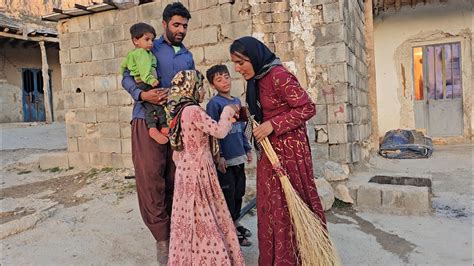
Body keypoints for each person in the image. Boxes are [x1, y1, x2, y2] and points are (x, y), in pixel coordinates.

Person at [230, 36, 327, 265]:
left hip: (290, 154)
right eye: (234, 62)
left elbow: (307, 107)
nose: (237, 68)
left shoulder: (278, 76)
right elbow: (264, 110)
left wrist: (273, 125)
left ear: (254, 57)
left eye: (241, 62)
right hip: (270, 153)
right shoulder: (257, 80)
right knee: (272, 208)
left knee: (288, 207)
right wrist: (242, 114)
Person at [121, 2, 193, 264]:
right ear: (164, 24)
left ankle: (178, 236)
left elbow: (190, 86)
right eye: (176, 24)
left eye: (185, 25)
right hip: (146, 120)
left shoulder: (187, 56)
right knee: (151, 177)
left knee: (175, 178)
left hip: (177, 123)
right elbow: (126, 77)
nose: (181, 30)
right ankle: (162, 241)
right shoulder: (149, 46)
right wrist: (141, 93)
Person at [166, 70, 245, 265]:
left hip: (186, 171)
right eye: (200, 87)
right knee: (205, 216)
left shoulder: (179, 110)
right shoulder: (193, 110)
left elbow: (178, 150)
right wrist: (228, 110)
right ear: (191, 88)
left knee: (190, 217)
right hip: (199, 171)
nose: (202, 92)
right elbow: (219, 131)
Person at [205, 64, 253, 247]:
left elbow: (241, 127)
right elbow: (213, 133)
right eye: (219, 79)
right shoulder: (214, 104)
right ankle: (228, 230)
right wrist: (220, 156)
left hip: (239, 155)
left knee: (239, 192)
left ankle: (235, 222)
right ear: (212, 85)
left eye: (226, 77)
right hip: (226, 160)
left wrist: (247, 148)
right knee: (228, 193)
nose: (224, 81)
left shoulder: (237, 102)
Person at [120, 22, 169, 144]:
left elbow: (124, 66)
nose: (151, 43)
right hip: (146, 83)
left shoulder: (140, 53)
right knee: (157, 104)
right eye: (147, 39)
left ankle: (155, 128)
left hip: (143, 83)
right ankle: (162, 127)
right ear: (135, 40)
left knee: (149, 106)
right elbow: (144, 70)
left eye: (152, 40)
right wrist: (150, 80)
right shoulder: (141, 54)